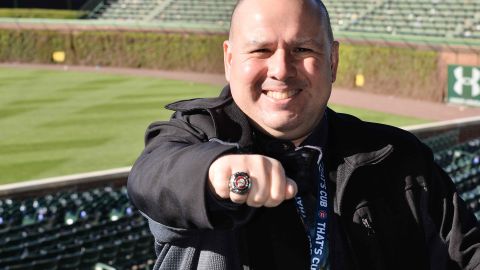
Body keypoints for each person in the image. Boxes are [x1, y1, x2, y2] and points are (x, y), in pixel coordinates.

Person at [127, 0, 480, 269]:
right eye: (261, 50)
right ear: (229, 59)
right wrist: (218, 174)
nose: (281, 70)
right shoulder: (195, 135)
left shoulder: (400, 156)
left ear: (333, 61)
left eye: (303, 49)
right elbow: (153, 176)